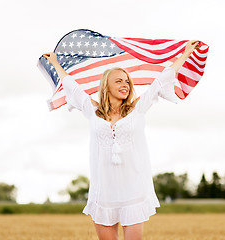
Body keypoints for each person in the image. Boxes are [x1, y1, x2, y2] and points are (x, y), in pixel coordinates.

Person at [42, 40, 201, 240]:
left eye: (127, 82)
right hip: (103, 192)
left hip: (132, 190)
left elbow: (161, 81)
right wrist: (56, 64)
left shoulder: (138, 109)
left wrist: (185, 54)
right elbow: (72, 87)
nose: (125, 85)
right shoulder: (93, 111)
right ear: (106, 85)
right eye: (118, 81)